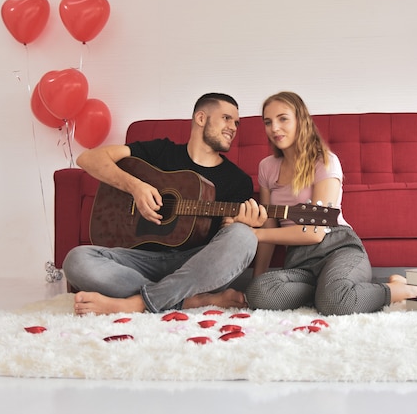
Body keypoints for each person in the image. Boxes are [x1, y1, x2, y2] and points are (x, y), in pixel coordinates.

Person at [63, 93, 267, 315]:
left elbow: (225, 242)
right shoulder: (162, 152)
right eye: (226, 118)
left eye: (236, 123)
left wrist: (242, 224)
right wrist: (136, 187)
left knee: (244, 236)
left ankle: (136, 304)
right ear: (201, 118)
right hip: (140, 261)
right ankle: (189, 301)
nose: (233, 127)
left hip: (195, 266)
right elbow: (88, 159)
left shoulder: (237, 180)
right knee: (76, 260)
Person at [244, 91, 417, 316]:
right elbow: (269, 226)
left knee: (335, 303)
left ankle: (396, 289)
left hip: (338, 248)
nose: (274, 128)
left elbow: (315, 233)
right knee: (259, 292)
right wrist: (257, 279)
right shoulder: (267, 167)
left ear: (301, 120)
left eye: (283, 118)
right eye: (268, 122)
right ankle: (329, 291)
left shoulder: (324, 161)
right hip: (299, 260)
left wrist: (253, 234)